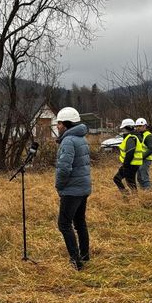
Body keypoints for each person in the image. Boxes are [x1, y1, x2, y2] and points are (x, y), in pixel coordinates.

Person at [54, 107, 91, 271]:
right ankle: (84, 255)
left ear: (65, 124)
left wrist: (59, 185)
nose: (57, 127)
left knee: (64, 224)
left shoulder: (68, 141)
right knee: (80, 222)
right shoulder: (81, 138)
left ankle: (76, 262)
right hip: (83, 188)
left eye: (59, 123)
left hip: (72, 190)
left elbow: (64, 168)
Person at [113, 118, 143, 193]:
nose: (123, 130)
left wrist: (125, 164)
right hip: (133, 164)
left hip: (130, 165)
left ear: (127, 127)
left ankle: (127, 197)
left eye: (123, 128)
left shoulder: (130, 138)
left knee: (118, 179)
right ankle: (133, 198)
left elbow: (130, 152)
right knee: (131, 183)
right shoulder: (134, 136)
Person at [134, 117, 152, 189]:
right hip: (139, 160)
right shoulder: (138, 135)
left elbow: (151, 149)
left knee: (144, 177)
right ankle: (144, 192)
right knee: (139, 178)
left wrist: (141, 157)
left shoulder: (149, 136)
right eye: (137, 126)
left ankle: (149, 193)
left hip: (145, 159)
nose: (138, 128)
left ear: (145, 126)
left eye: (140, 126)